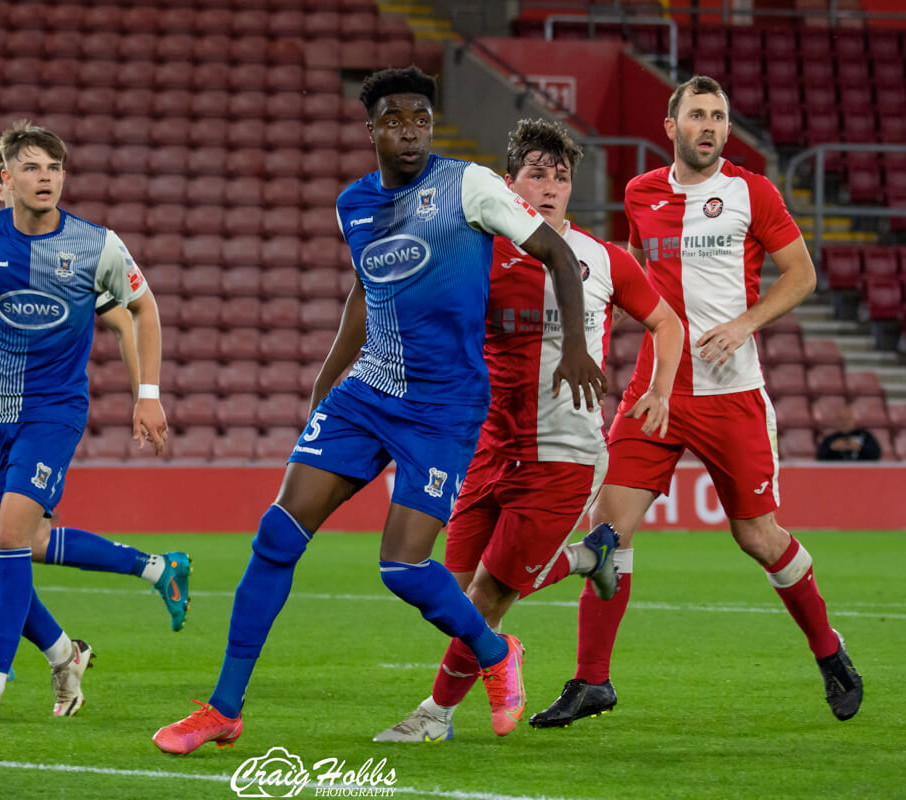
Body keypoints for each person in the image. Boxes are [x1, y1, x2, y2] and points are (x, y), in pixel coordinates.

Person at [152, 67, 607, 755]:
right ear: (372, 129)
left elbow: (557, 256)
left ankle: (494, 649)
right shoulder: (353, 206)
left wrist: (575, 346)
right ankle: (223, 709)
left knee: (402, 568)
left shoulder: (470, 186)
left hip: (444, 406)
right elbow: (366, 297)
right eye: (395, 119)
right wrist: (325, 382)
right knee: (276, 536)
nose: (411, 130)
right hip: (368, 394)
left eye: (421, 118)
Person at [530, 76, 863, 728]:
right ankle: (591, 681)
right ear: (671, 125)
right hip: (655, 393)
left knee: (758, 537)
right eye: (698, 115)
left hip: (731, 395)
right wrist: (596, 339)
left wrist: (746, 323)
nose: (710, 126)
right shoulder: (640, 193)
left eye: (719, 116)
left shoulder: (751, 192)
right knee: (608, 528)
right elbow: (636, 276)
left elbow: (801, 275)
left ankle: (829, 650)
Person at [372, 119, 683, 741]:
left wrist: (658, 390)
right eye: (536, 174)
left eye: (561, 177)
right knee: (451, 600)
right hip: (487, 448)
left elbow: (668, 325)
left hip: (563, 452)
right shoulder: (477, 253)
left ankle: (434, 716)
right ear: (509, 183)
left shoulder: (603, 260)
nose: (549, 187)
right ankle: (589, 555)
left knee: (489, 597)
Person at [0, 120, 168, 719]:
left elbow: (143, 307)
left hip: (52, 412)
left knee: (11, 538)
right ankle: (64, 654)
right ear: (5, 180)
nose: (45, 178)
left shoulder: (97, 244)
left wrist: (148, 393)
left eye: (54, 168)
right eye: (31, 167)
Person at [816, 405, 881, 461]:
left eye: (848, 419)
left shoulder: (865, 436)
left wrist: (859, 447)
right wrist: (833, 448)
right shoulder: (830, 439)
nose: (844, 422)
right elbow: (820, 457)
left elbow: (875, 455)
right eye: (841, 419)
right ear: (836, 421)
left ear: (854, 420)